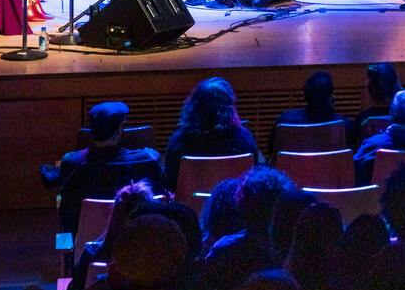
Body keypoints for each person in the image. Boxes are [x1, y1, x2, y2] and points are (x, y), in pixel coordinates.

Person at [42, 101, 166, 232]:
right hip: (136, 237)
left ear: (91, 131)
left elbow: (64, 210)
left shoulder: (70, 162)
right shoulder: (147, 159)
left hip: (84, 241)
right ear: (119, 130)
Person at [163, 77, 260, 191]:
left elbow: (171, 184)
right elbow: (252, 178)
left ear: (194, 105)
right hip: (232, 205)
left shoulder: (179, 140)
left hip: (190, 207)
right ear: (229, 107)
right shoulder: (244, 138)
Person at [269, 70, 345, 155]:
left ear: (305, 96)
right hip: (331, 168)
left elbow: (272, 151)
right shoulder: (344, 124)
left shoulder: (284, 120)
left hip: (289, 168)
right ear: (331, 98)